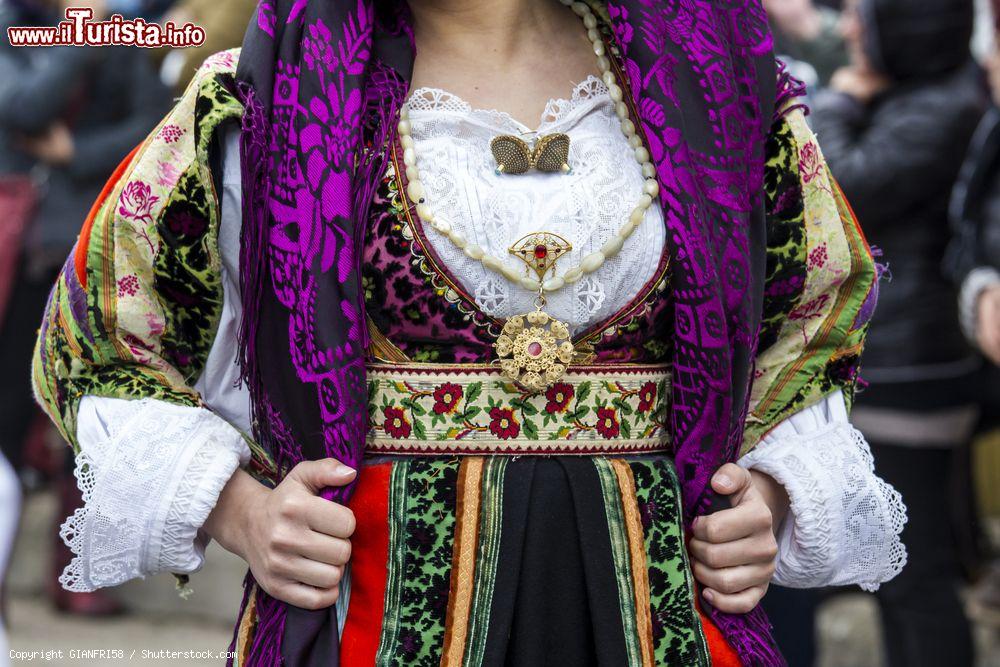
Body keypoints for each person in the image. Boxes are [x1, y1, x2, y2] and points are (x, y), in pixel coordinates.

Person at [31, 1, 906, 664]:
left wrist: (773, 492)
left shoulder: (713, 82)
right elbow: (100, 338)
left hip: (662, 606)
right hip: (373, 607)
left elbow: (815, 319)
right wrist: (245, 512)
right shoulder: (270, 91)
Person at [811, 0, 985, 664]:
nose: (851, 30)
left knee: (914, 575)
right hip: (899, 362)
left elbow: (835, 186)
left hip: (913, 371)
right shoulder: (929, 94)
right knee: (896, 571)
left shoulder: (944, 107)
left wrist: (837, 100)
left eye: (866, 15)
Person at [0, 0, 171, 615]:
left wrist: (80, 153)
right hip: (22, 250)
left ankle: (78, 572)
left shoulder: (113, 35)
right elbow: (23, 106)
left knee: (91, 407)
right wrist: (83, 31)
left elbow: (154, 118)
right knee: (10, 411)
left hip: (89, 250)